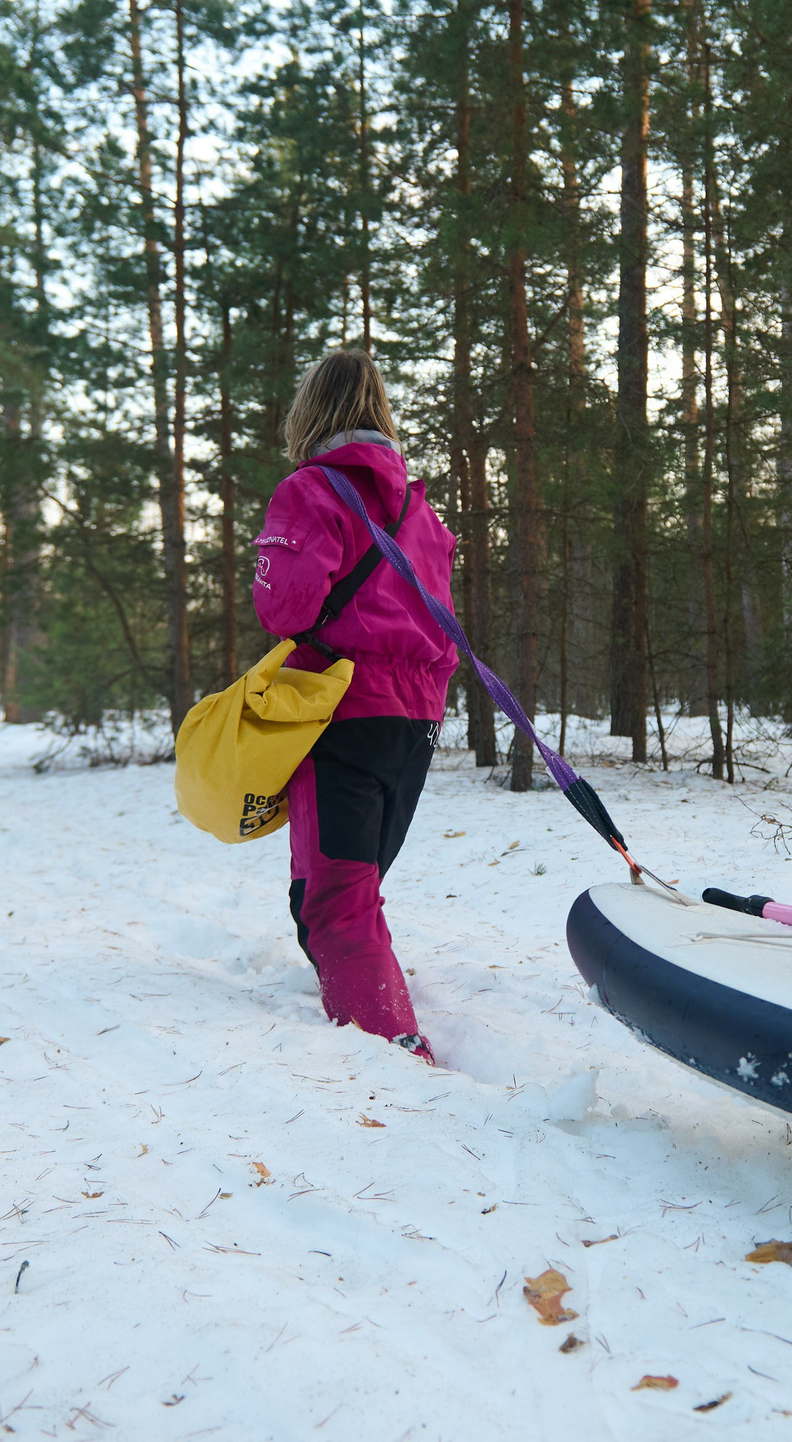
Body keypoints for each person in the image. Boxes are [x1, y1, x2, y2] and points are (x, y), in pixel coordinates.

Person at [251, 349, 459, 1062]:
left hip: (341, 710)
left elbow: (284, 607)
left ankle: (392, 1048)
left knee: (336, 895)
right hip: (416, 720)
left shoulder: (309, 492)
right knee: (349, 880)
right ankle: (359, 984)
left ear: (310, 411)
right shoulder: (420, 510)